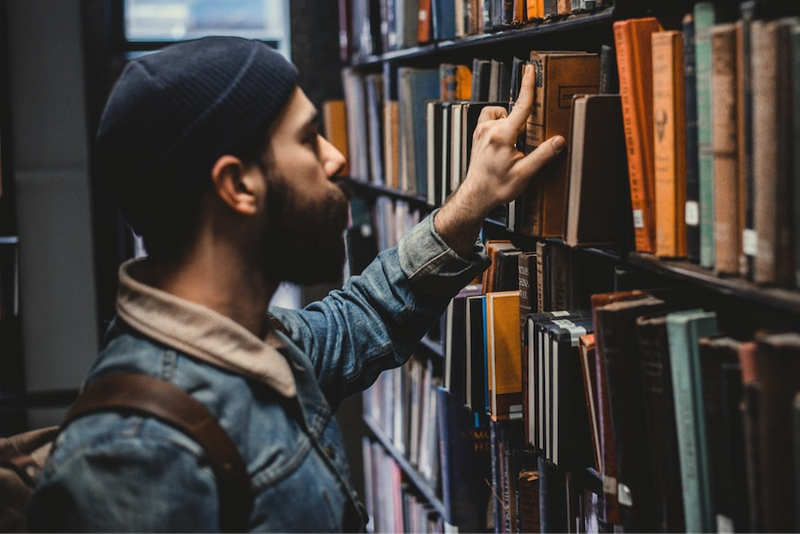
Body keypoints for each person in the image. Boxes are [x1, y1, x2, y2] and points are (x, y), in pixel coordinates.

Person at [28, 36, 565, 533]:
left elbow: (367, 314)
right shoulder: (135, 459)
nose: (337, 159)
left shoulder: (261, 344)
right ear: (238, 185)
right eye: (309, 139)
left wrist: (472, 199)